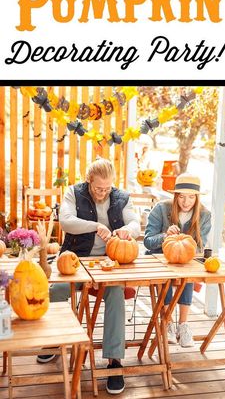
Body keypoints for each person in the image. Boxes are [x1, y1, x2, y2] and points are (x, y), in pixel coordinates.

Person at [37, 158, 141, 395]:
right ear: (89, 181)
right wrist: (95, 225)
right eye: (98, 188)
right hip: (76, 258)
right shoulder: (74, 193)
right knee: (57, 292)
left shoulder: (122, 197)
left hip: (108, 262)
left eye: (107, 188)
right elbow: (66, 221)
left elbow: (135, 222)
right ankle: (55, 340)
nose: (103, 193)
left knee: (115, 294)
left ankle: (114, 360)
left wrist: (127, 230)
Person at [144, 173, 211, 347]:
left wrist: (185, 242)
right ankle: (167, 322)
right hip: (159, 260)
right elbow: (148, 242)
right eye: (181, 196)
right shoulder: (161, 209)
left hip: (185, 262)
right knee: (167, 276)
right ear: (175, 196)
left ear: (197, 198)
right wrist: (165, 235)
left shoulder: (204, 215)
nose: (186, 202)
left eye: (191, 197)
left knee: (186, 273)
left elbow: (199, 248)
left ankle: (183, 325)